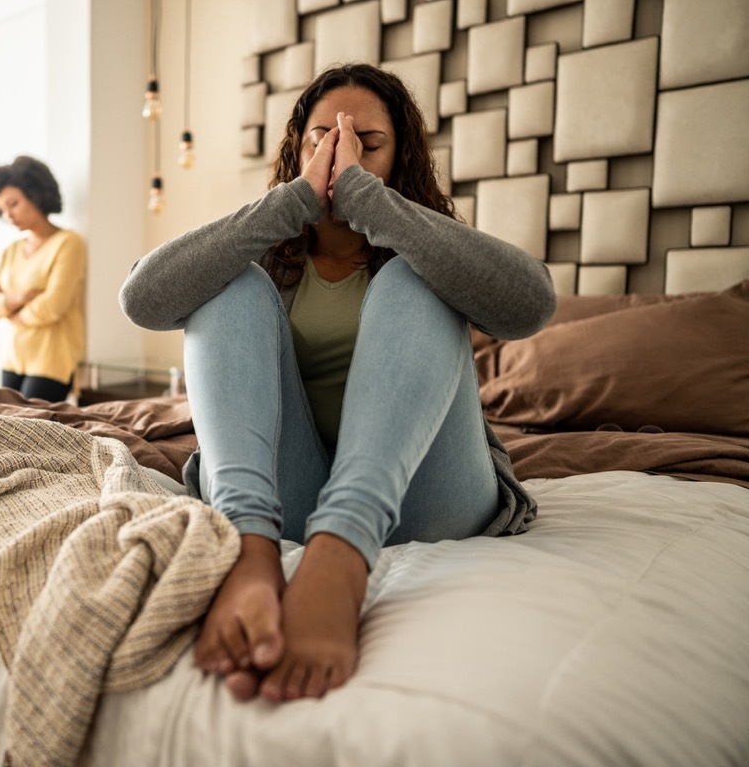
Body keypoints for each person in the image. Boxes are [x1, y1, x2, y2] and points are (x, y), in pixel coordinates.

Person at [119, 64, 556, 704]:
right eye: (322, 137)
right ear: (299, 148)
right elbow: (143, 299)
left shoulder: (426, 244)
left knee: (412, 277)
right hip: (286, 493)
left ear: (398, 157)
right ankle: (249, 547)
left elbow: (531, 306)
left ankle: (342, 549)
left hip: (427, 497)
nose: (339, 153)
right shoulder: (271, 251)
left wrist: (368, 199)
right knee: (230, 282)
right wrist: (293, 201)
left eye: (365, 144)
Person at [0, 156, 86, 403]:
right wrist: (18, 298)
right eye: (2, 211)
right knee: (4, 430)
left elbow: (53, 306)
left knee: (30, 433)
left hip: (52, 358)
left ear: (35, 194)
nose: (9, 216)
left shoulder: (68, 243)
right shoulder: (12, 250)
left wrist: (12, 314)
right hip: (13, 357)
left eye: (13, 204)